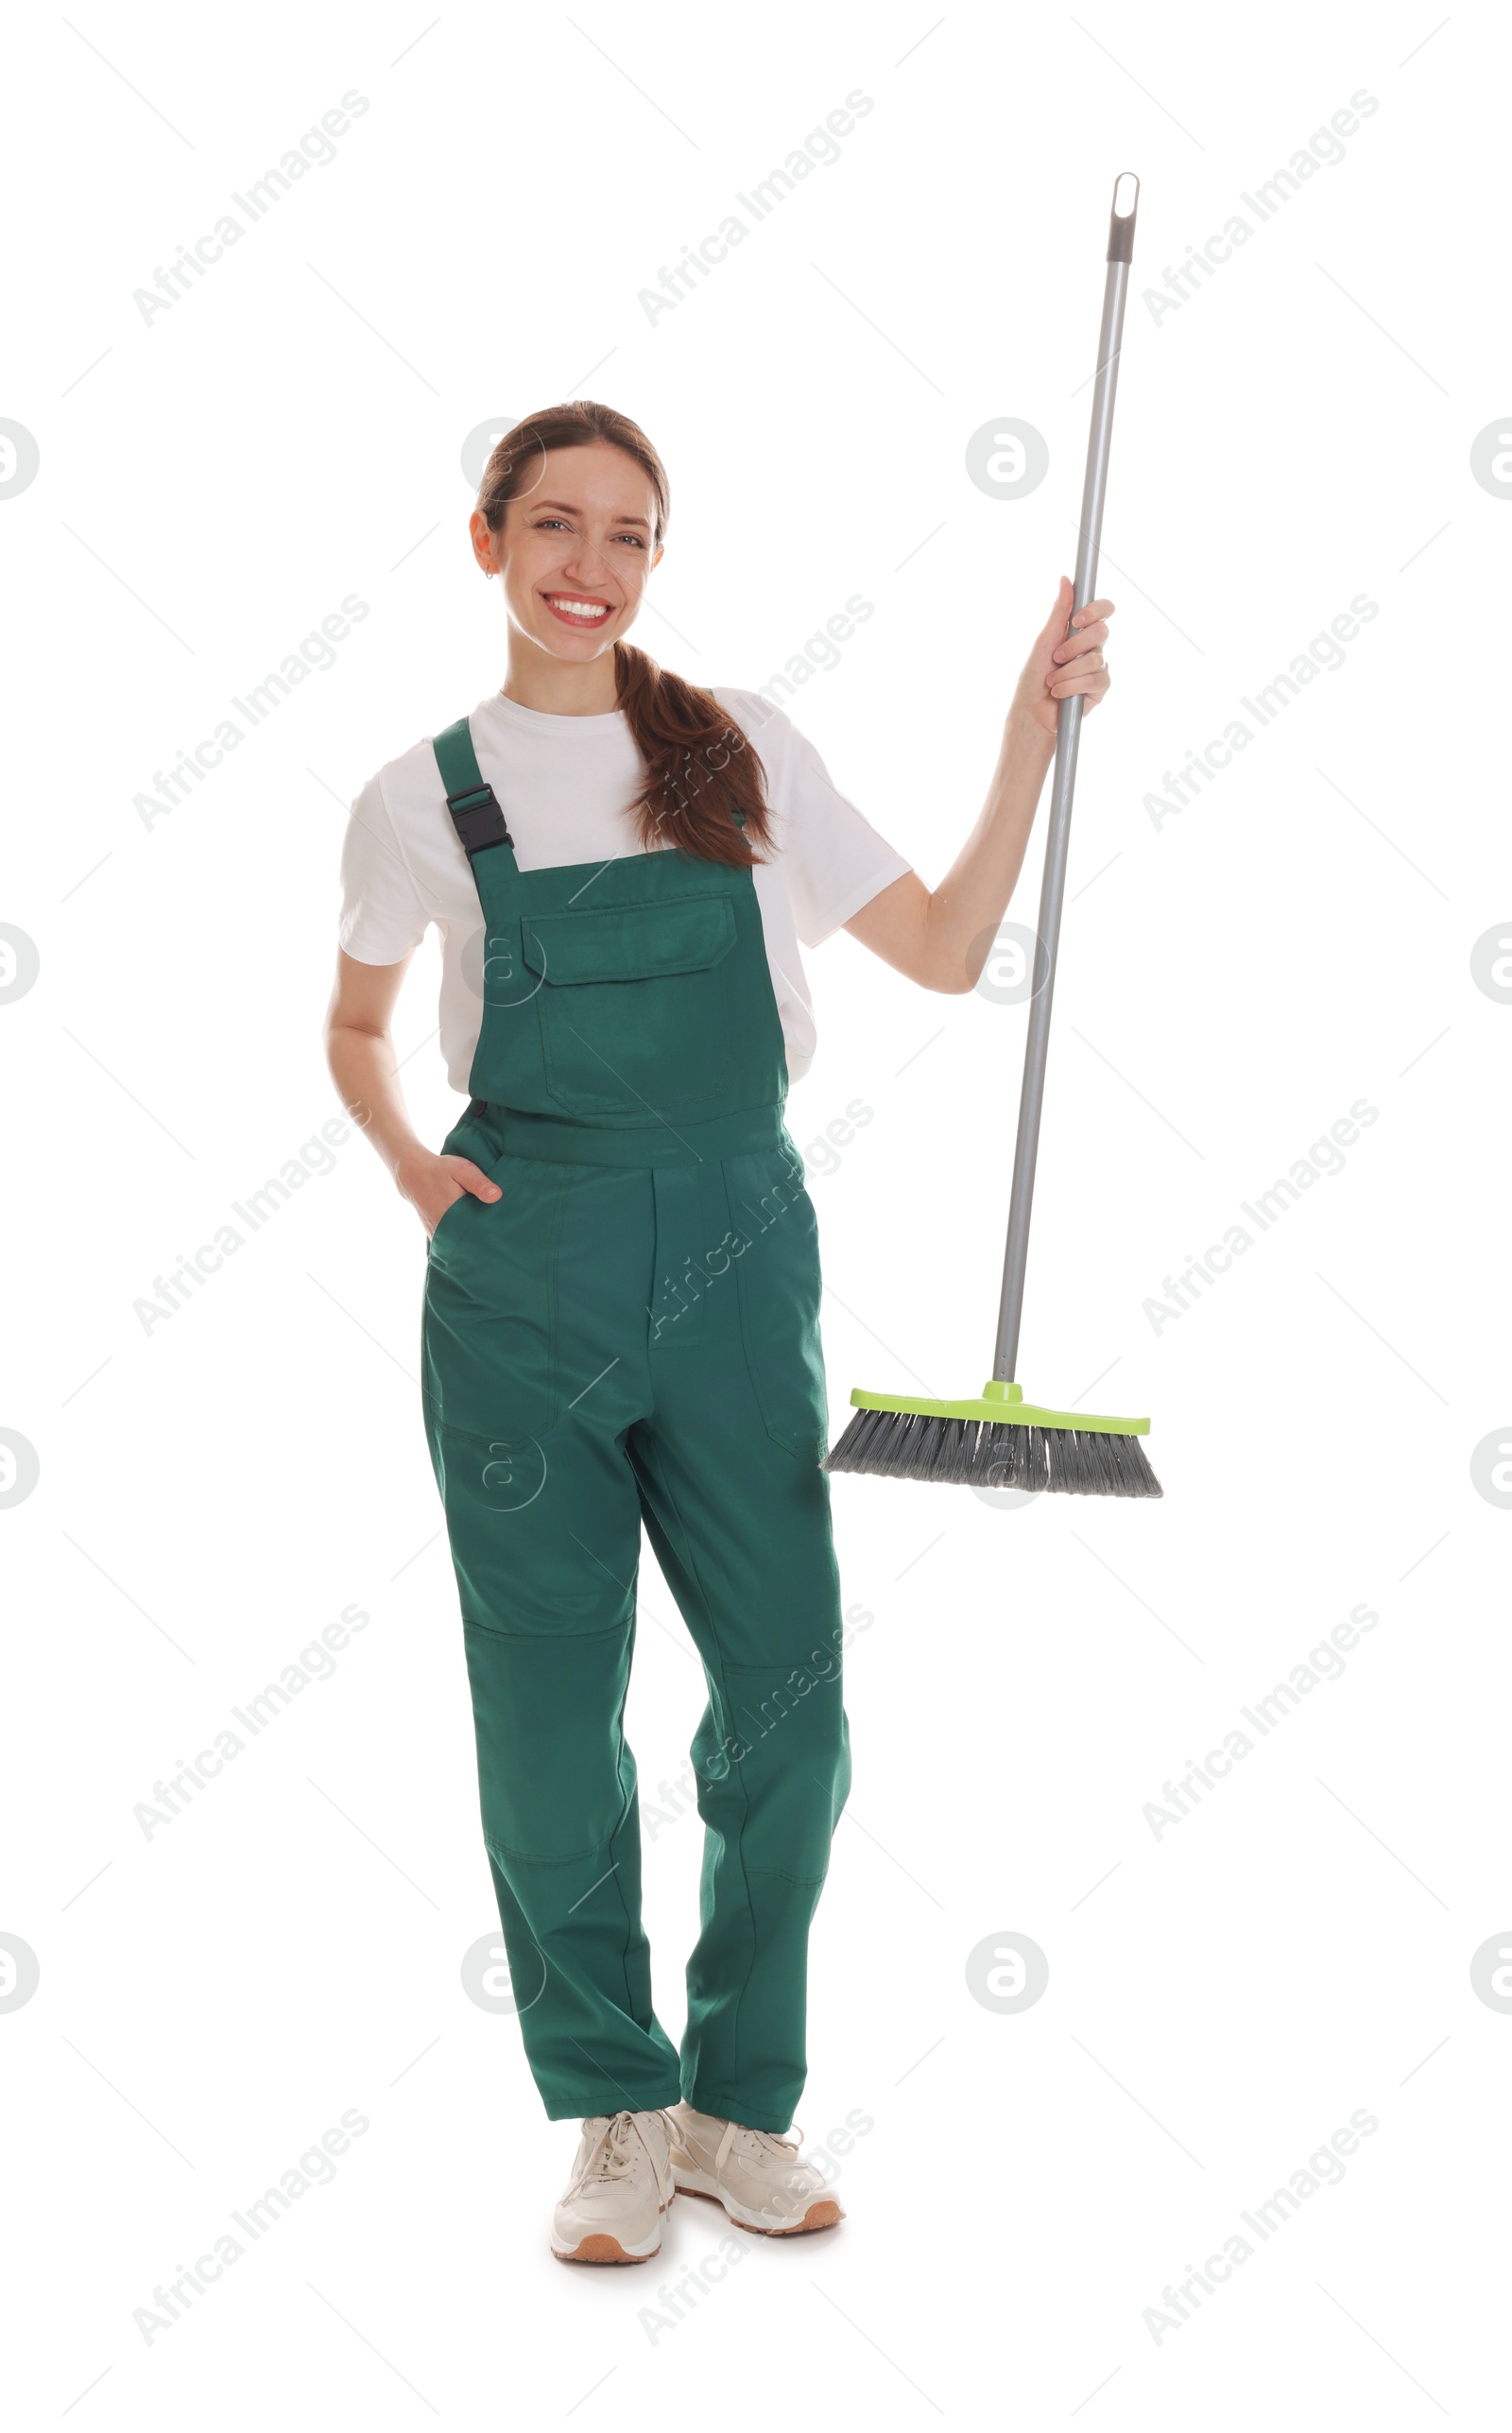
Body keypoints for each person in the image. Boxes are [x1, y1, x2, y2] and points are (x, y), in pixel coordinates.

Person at [325, 401, 1112, 2264]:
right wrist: (406, 1170)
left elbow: (931, 943)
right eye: (552, 528)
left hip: (740, 1271)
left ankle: (732, 2108)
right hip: (521, 1289)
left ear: (655, 561)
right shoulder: (417, 799)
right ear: (487, 545)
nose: (588, 567)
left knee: (789, 1711)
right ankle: (608, 2109)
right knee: (543, 1712)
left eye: (626, 534)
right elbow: (354, 1029)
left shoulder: (739, 747)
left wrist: (1025, 737)